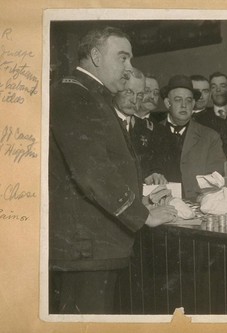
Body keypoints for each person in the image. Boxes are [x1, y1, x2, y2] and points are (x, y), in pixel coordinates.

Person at [49, 27, 176, 314]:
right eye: (123, 58)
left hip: (95, 244)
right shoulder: (74, 94)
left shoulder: (91, 94)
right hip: (87, 247)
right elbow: (93, 172)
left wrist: (137, 199)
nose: (129, 68)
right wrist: (141, 215)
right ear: (95, 56)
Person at [149, 75, 226, 201]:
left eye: (189, 100)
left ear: (194, 104)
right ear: (168, 103)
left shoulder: (210, 137)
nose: (184, 105)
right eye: (178, 100)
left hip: (198, 205)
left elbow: (217, 176)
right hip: (160, 205)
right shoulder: (152, 132)